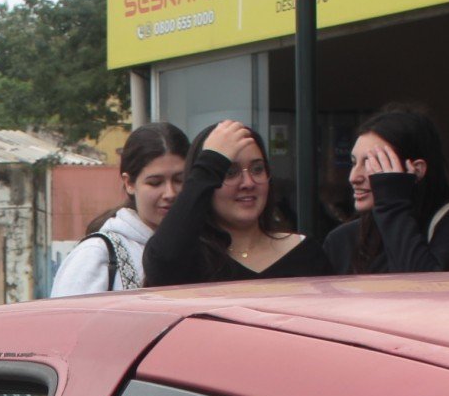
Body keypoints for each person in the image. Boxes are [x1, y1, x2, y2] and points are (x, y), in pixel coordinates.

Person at [141, 120, 329, 286]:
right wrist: (211, 162)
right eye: (229, 172)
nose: (248, 183)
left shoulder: (306, 253)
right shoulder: (190, 260)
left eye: (257, 169)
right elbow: (161, 262)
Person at [324, 105, 449, 274]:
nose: (354, 177)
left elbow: (425, 287)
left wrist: (391, 202)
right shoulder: (343, 240)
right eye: (353, 162)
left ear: (416, 170)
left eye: (371, 163)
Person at [50, 123, 191, 295]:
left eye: (179, 180)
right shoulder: (97, 255)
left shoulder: (201, 249)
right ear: (129, 183)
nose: (170, 193)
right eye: (155, 183)